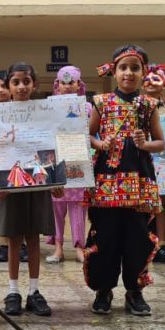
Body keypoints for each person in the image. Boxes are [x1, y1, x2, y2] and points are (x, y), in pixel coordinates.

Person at [86, 45, 165, 317]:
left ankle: (134, 290)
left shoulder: (149, 105)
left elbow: (161, 143)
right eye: (123, 67)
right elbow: (87, 136)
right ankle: (103, 290)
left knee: (137, 239)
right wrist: (100, 143)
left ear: (144, 72)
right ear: (114, 71)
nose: (128, 73)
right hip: (106, 181)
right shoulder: (101, 102)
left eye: (134, 68)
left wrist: (145, 144)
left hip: (140, 181)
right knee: (106, 237)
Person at [0, 63, 56, 317]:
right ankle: (13, 291)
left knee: (33, 238)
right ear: (8, 86)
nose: (21, 87)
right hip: (10, 184)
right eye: (16, 82)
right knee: (13, 239)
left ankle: (33, 291)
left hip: (38, 182)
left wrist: (57, 181)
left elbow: (53, 144)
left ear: (35, 84)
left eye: (26, 82)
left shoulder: (45, 113)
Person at [45, 65, 91, 264]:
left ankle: (80, 247)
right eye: (63, 82)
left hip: (78, 160)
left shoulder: (87, 107)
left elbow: (93, 133)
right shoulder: (48, 106)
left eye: (71, 82)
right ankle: (58, 247)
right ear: (57, 84)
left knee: (78, 206)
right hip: (55, 161)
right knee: (56, 205)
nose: (67, 86)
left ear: (79, 84)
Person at [141, 63, 165, 266]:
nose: (150, 82)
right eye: (146, 78)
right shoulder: (136, 106)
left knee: (160, 203)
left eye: (155, 79)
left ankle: (160, 245)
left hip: (163, 162)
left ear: (164, 83)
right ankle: (141, 242)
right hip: (141, 161)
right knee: (140, 204)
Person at [0, 70, 28, 263]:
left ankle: (22, 245)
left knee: (21, 206)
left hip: (20, 163)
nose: (0, 91)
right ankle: (3, 245)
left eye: (4, 86)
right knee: (1, 206)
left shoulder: (22, 109)